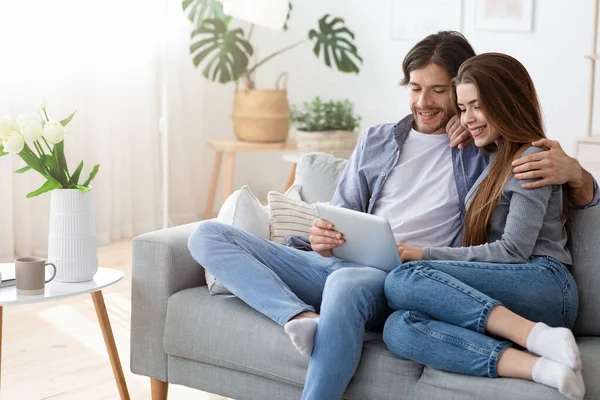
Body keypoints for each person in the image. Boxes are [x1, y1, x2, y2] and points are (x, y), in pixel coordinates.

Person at [187, 31, 598, 400]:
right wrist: (323, 234)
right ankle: (300, 316)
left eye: (439, 91)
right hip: (344, 263)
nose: (423, 102)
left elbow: (520, 216)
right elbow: (341, 211)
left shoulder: (483, 151)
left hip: (397, 274)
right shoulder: (378, 140)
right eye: (416, 88)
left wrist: (578, 174)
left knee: (355, 283)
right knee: (207, 235)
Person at [383, 52, 586, 400]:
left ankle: (538, 336)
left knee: (404, 278)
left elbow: (513, 252)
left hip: (544, 283)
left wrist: (423, 254)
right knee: (399, 327)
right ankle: (542, 367)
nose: (468, 119)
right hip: (513, 295)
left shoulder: (530, 159)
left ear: (505, 102)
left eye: (477, 106)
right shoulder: (493, 159)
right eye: (462, 108)